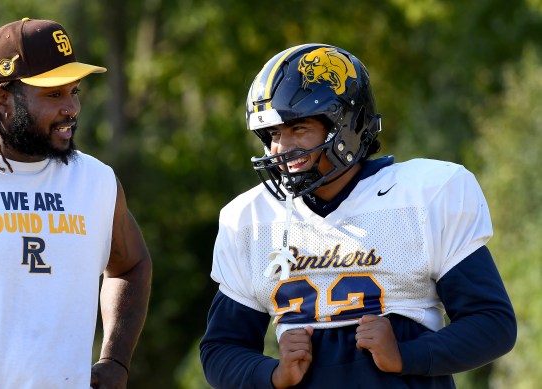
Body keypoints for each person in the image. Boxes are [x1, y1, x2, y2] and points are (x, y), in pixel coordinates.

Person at [199, 44, 516, 388]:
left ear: (348, 125)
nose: (281, 148)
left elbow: (492, 323)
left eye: (298, 128)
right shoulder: (252, 220)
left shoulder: (422, 197)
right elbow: (220, 349)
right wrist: (272, 374)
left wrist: (406, 355)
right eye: (274, 133)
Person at [0, 18, 152, 389]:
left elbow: (132, 265)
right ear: (2, 99)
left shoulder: (97, 181)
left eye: (74, 91)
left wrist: (115, 361)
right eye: (53, 94)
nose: (72, 108)